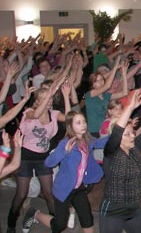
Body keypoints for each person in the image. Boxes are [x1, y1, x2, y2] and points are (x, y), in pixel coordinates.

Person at [21, 110, 110, 233]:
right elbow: (49, 163)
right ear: (70, 126)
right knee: (60, 224)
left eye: (84, 121)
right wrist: (64, 151)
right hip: (64, 189)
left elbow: (102, 143)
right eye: (78, 123)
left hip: (78, 188)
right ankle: (34, 214)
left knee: (87, 218)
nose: (83, 125)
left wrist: (119, 131)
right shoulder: (65, 143)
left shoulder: (87, 140)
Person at [7, 80, 70, 233]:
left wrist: (66, 96)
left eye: (50, 99)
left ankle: (57, 224)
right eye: (45, 99)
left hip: (43, 158)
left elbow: (69, 118)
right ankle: (10, 225)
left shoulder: (54, 114)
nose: (49, 102)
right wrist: (49, 92)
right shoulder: (28, 112)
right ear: (38, 101)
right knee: (21, 194)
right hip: (25, 157)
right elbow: (36, 114)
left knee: (49, 192)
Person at [99, 87, 141, 233]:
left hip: (134, 209)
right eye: (127, 134)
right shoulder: (111, 152)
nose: (132, 136)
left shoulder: (135, 148)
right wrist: (130, 106)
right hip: (112, 211)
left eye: (132, 133)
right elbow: (117, 131)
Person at [85, 55, 128, 137]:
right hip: (93, 131)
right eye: (97, 81)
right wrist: (115, 68)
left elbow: (124, 93)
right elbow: (107, 86)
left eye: (101, 80)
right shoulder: (90, 94)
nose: (100, 82)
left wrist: (124, 75)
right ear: (92, 85)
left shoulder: (106, 95)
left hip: (105, 129)